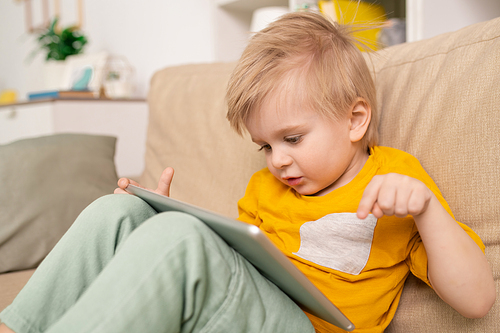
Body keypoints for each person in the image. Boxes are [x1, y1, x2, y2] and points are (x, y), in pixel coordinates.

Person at [0, 12, 495, 333]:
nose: (277, 159)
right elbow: (238, 271)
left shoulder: (397, 181)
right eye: (265, 145)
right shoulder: (266, 187)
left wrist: (427, 212)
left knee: (178, 237)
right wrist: (155, 221)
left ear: (355, 119)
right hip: (251, 312)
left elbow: (476, 300)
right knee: (119, 210)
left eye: (293, 138)